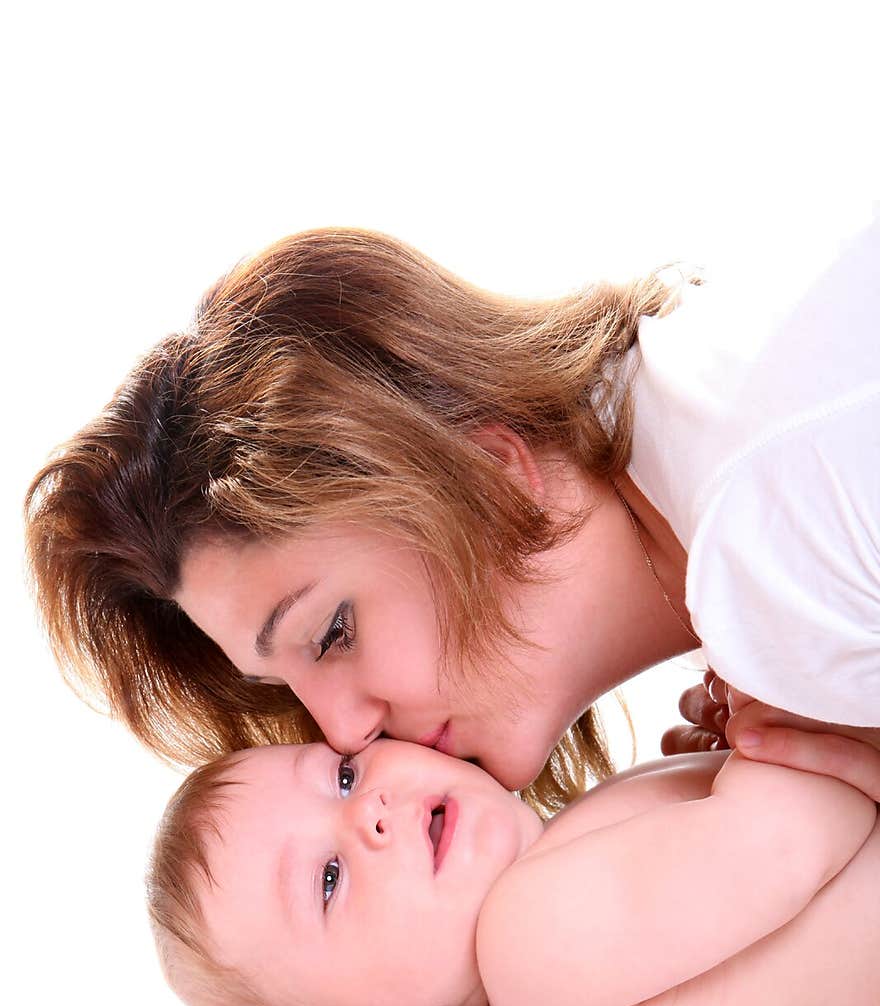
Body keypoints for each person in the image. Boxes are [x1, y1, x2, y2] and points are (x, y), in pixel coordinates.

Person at [25, 218, 880, 814]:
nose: (344, 732)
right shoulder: (731, 430)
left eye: (331, 634)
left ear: (485, 469)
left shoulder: (774, 506)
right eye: (289, 688)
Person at [147, 733, 879, 1006]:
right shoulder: (529, 945)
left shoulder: (562, 860)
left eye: (342, 774)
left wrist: (725, 751)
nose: (366, 810)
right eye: (328, 879)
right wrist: (767, 694)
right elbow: (799, 829)